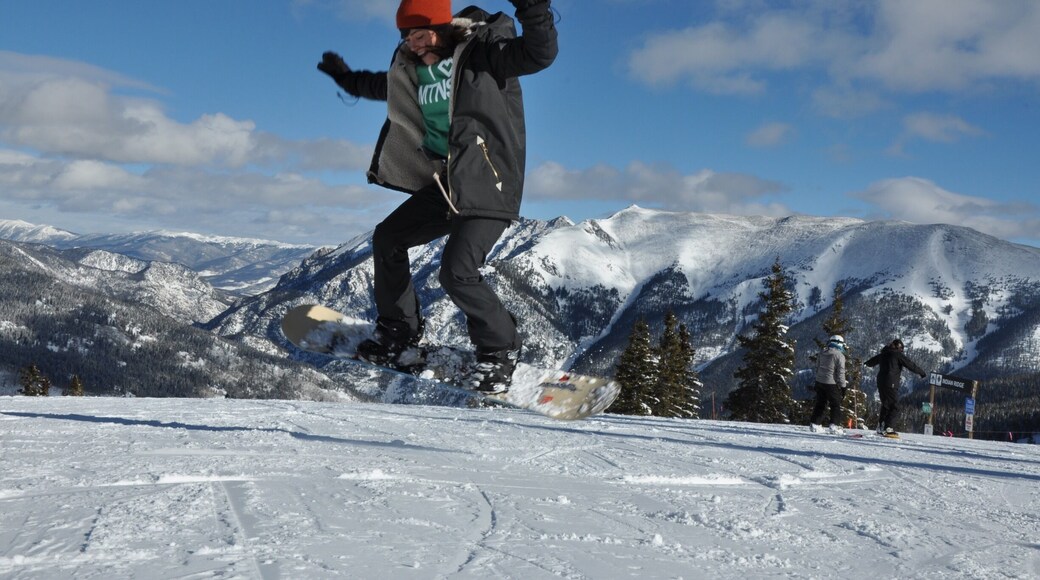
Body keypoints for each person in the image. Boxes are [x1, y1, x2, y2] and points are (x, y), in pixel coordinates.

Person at [316, 0, 557, 393]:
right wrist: (346, 79)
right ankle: (399, 332)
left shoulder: (484, 56)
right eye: (407, 37)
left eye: (420, 33)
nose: (413, 43)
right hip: (445, 186)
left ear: (443, 28)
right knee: (388, 239)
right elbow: (384, 86)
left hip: (488, 185)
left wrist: (534, 8)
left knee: (457, 272)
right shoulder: (418, 70)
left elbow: (538, 53)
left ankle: (499, 351)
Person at [864, 339, 927, 436]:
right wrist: (922, 373)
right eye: (901, 349)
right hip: (891, 382)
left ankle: (881, 427)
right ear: (899, 348)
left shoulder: (883, 354)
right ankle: (888, 428)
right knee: (895, 406)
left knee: (885, 405)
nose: (901, 351)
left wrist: (865, 364)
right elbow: (910, 365)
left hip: (880, 382)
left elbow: (870, 362)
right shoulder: (897, 354)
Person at [809, 335, 848, 434]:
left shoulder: (822, 352)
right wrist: (843, 386)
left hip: (819, 382)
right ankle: (834, 426)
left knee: (820, 403)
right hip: (831, 383)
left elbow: (817, 367)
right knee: (835, 404)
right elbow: (841, 372)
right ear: (840, 343)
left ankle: (815, 424)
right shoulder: (839, 355)